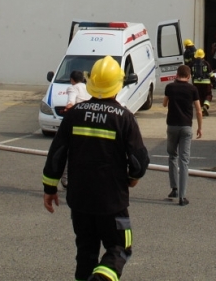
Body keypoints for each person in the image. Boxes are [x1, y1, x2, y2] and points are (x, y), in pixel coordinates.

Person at [43, 55, 150, 281]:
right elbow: (139, 161)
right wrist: (133, 176)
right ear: (118, 84)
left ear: (91, 82)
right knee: (120, 248)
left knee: (86, 253)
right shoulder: (124, 117)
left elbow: (57, 154)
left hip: (80, 200)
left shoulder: (74, 113)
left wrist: (50, 188)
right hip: (112, 201)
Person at [162, 65, 203, 206]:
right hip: (186, 127)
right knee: (184, 161)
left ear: (177, 74)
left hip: (172, 126)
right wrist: (200, 128)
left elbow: (164, 104)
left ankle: (174, 188)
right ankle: (182, 197)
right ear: (189, 76)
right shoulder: (193, 89)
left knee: (172, 156)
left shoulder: (170, 87)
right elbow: (198, 110)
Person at [190, 49, 213, 116]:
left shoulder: (192, 64)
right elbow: (211, 74)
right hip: (206, 83)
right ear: (203, 56)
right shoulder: (206, 63)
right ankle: (205, 106)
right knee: (208, 95)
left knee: (199, 96)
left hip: (196, 83)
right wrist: (214, 81)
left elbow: (190, 73)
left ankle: (202, 110)